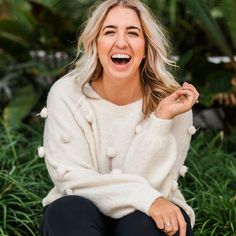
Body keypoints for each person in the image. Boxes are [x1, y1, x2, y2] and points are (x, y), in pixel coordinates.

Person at [39, 0, 199, 235]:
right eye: (109, 32)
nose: (121, 42)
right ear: (95, 43)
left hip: (146, 220)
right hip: (80, 217)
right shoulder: (67, 94)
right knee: (67, 210)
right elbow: (73, 180)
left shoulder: (172, 103)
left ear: (146, 47)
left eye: (133, 33)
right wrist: (145, 197)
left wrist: (160, 120)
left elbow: (157, 189)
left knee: (141, 224)